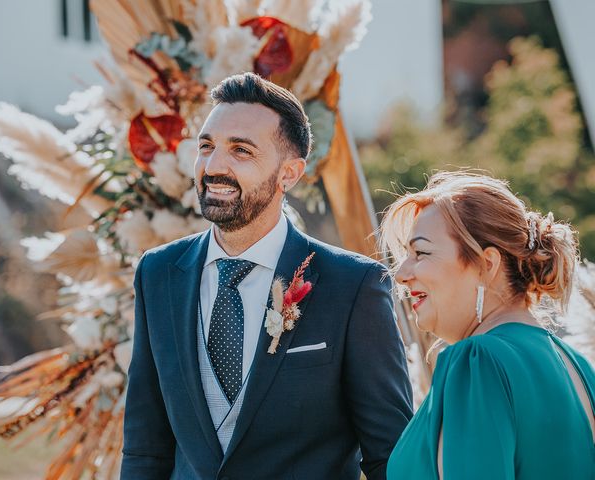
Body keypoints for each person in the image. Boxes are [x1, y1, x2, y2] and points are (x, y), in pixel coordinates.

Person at [120, 72, 413, 480]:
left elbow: (389, 455)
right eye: (207, 146)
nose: (214, 165)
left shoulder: (354, 286)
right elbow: (144, 447)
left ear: (289, 173)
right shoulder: (158, 273)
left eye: (241, 150)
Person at [381, 172, 595, 479]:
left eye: (421, 253)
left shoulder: (479, 362)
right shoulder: (577, 366)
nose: (401, 273)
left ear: (487, 264)